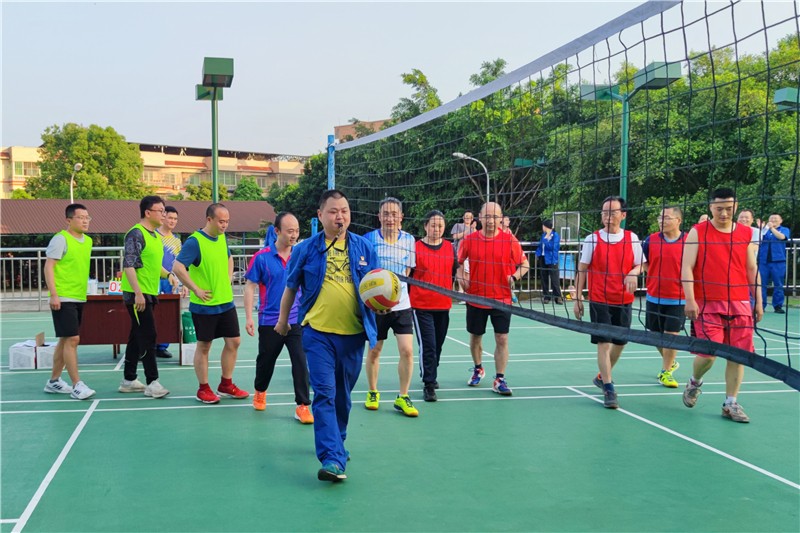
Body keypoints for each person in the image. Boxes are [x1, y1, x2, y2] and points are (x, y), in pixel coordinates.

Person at [275, 189, 379, 483]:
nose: (339, 216)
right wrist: (283, 321)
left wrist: (382, 305)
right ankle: (331, 458)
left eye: (344, 211)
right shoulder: (306, 249)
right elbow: (291, 287)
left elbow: (375, 288)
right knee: (324, 393)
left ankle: (337, 441)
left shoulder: (364, 247)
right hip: (317, 333)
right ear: (320, 215)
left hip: (353, 335)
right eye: (333, 211)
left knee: (343, 398)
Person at [681, 188, 763, 423]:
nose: (724, 213)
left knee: (738, 356)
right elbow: (687, 267)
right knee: (708, 355)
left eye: (728, 209)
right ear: (711, 208)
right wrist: (690, 299)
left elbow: (751, 268)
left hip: (739, 303)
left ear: (735, 207)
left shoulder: (746, 233)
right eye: (719, 209)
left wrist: (758, 300)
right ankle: (694, 382)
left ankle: (731, 403)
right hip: (707, 303)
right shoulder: (698, 231)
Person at [173, 203, 249, 404]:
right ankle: (203, 388)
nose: (225, 225)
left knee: (234, 341)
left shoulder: (222, 238)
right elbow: (178, 267)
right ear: (209, 219)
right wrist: (195, 288)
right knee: (204, 346)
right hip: (204, 305)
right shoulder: (195, 242)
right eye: (221, 221)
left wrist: (228, 277)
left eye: (227, 221)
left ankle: (226, 384)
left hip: (226, 302)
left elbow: (229, 258)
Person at [573, 195, 645, 409]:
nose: (608, 216)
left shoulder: (631, 238)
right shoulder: (592, 239)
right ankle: (608, 387)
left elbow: (642, 265)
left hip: (623, 299)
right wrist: (577, 297)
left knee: (620, 343)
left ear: (623, 215)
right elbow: (582, 269)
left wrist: (633, 272)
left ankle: (602, 376)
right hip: (599, 299)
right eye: (605, 212)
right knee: (604, 343)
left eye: (613, 212)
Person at [244, 212, 313, 424]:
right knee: (266, 361)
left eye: (297, 231)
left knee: (300, 361)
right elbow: (250, 286)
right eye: (290, 231)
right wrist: (249, 317)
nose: (294, 235)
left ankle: (303, 405)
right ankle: (260, 390)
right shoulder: (261, 257)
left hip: (295, 320)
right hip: (270, 321)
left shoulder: (300, 256)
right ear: (277, 231)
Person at [457, 202, 529, 396]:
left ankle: (500, 378)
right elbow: (458, 263)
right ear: (480, 217)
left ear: (500, 218)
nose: (491, 220)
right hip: (476, 297)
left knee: (502, 338)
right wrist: (462, 279)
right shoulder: (469, 240)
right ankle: (478, 368)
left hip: (501, 298)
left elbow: (525, 264)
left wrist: (514, 277)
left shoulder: (509, 240)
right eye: (487, 216)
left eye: (495, 217)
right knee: (475, 337)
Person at [364, 197, 418, 416]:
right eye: (386, 213)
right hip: (377, 306)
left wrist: (394, 294)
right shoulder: (369, 239)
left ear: (401, 217)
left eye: (394, 214)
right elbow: (366, 272)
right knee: (375, 350)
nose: (390, 218)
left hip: (402, 304)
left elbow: (408, 271)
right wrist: (377, 298)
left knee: (407, 350)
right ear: (379, 216)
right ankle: (372, 392)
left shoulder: (409, 240)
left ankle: (403, 396)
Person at [118, 195, 173, 398]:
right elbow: (129, 265)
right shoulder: (136, 234)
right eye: (160, 211)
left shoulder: (156, 237)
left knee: (137, 335)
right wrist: (138, 293)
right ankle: (152, 382)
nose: (164, 215)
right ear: (148, 212)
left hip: (150, 292)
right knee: (148, 335)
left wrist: (168, 275)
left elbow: (153, 265)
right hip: (137, 295)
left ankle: (129, 380)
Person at [43, 204, 96, 400]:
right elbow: (49, 267)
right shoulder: (61, 239)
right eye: (80, 217)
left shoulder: (88, 241)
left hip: (79, 295)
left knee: (65, 339)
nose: (85, 221)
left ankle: (54, 381)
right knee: (73, 339)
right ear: (69, 220)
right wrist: (54, 294)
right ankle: (77, 385)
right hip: (63, 296)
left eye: (87, 217)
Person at [410, 210, 457, 402]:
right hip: (421, 305)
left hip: (443, 304)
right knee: (428, 345)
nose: (436, 229)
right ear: (425, 226)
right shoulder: (415, 248)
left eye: (440, 226)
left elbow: (453, 274)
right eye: (433, 225)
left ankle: (431, 372)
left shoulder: (450, 248)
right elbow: (409, 275)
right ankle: (429, 384)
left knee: (438, 345)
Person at [641, 207, 686, 388]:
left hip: (679, 298)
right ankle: (671, 361)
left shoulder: (689, 240)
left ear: (678, 221)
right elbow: (643, 262)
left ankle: (665, 372)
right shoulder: (650, 240)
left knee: (671, 336)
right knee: (655, 336)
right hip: (654, 296)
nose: (661, 221)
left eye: (666, 218)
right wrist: (653, 273)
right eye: (660, 217)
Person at [153, 205, 184, 359]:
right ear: (163, 217)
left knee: (168, 314)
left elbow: (180, 263)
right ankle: (149, 344)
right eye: (170, 218)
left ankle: (162, 346)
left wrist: (182, 282)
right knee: (153, 313)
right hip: (154, 279)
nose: (172, 221)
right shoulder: (154, 236)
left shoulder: (177, 241)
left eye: (175, 219)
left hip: (171, 281)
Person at [758, 213, 790, 314]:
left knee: (778, 284)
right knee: (761, 284)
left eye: (776, 219)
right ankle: (761, 306)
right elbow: (758, 239)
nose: (773, 220)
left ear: (781, 221)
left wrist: (771, 228)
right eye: (771, 218)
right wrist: (761, 228)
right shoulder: (764, 230)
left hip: (778, 261)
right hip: (763, 262)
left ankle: (778, 306)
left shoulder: (784, 229)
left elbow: (782, 237)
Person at [535, 219, 563, 304]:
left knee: (554, 279)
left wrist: (546, 240)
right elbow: (540, 246)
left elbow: (552, 247)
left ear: (546, 226)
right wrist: (537, 253)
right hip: (543, 258)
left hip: (551, 259)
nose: (542, 227)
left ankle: (558, 297)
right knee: (544, 278)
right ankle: (546, 296)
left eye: (543, 226)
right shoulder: (543, 235)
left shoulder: (555, 235)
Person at [450, 211, 476, 298]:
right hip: (459, 252)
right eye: (466, 216)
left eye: (469, 216)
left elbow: (477, 239)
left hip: (470, 254)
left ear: (472, 219)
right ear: (463, 217)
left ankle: (467, 291)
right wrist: (467, 230)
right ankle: (461, 291)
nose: (467, 218)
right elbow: (455, 236)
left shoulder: (473, 229)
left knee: (467, 272)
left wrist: (474, 229)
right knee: (459, 271)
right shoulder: (458, 225)